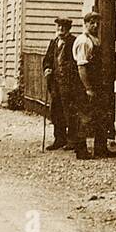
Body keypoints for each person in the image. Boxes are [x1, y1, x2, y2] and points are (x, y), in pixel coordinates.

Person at [67, 12, 116, 160]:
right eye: (92, 23)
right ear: (85, 23)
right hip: (85, 85)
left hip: (97, 84)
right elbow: (82, 68)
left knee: (101, 116)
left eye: (97, 23)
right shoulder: (83, 41)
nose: (95, 25)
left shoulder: (95, 39)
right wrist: (88, 88)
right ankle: (81, 151)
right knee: (85, 117)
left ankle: (100, 149)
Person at [42, 18, 74, 151]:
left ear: (68, 29)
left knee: (70, 111)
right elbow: (47, 59)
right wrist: (47, 69)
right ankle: (59, 139)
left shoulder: (73, 42)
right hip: (55, 83)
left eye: (63, 27)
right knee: (56, 111)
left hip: (69, 83)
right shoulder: (54, 42)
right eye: (59, 26)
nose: (60, 29)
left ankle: (72, 140)